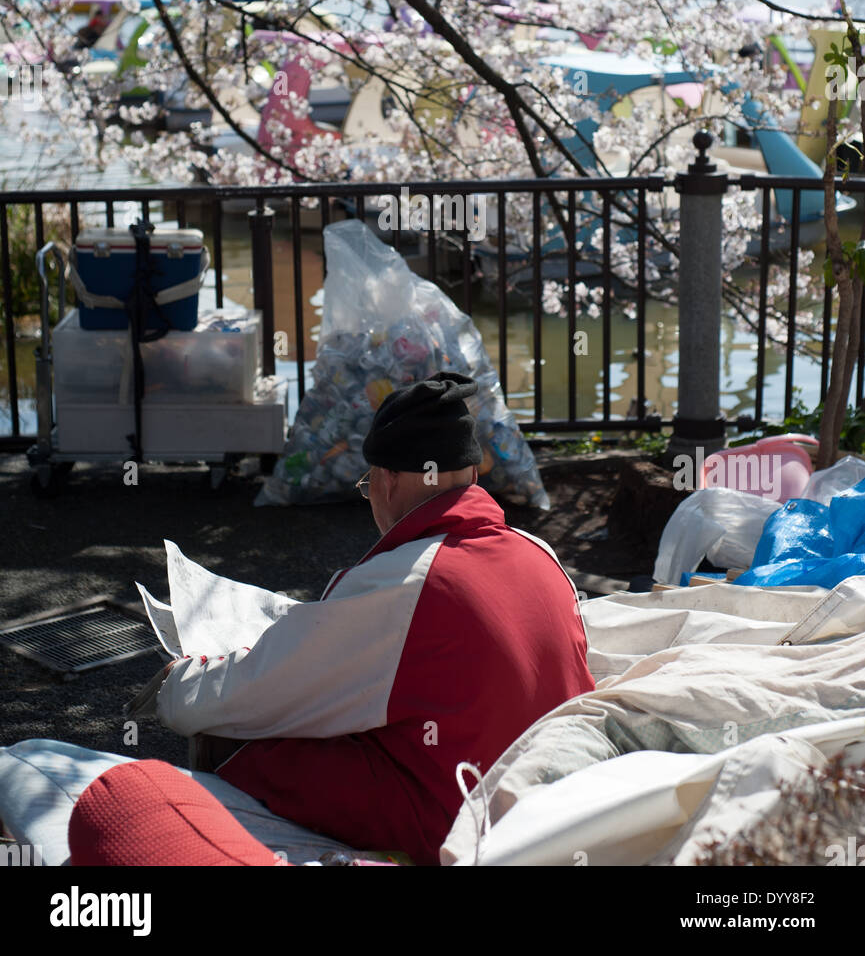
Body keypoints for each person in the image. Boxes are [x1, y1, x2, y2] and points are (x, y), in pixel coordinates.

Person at [149, 370, 594, 865]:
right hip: (552, 802)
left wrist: (177, 689)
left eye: (368, 485)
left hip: (459, 824)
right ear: (472, 475)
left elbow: (260, 690)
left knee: (229, 732)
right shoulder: (541, 554)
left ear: (387, 479)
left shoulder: (402, 581)